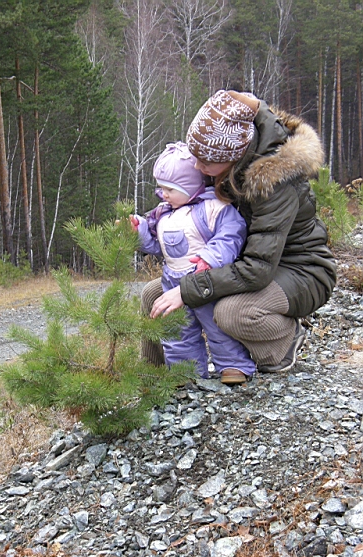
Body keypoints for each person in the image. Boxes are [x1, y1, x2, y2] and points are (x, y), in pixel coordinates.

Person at [143, 90, 336, 373]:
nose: (197, 167)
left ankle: (283, 343)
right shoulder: (224, 168)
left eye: (205, 161)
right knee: (154, 294)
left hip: (300, 270)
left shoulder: (275, 185)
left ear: (232, 156)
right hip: (246, 263)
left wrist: (188, 290)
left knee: (231, 313)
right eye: (196, 157)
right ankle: (154, 373)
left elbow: (257, 269)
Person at [134, 141, 256, 384]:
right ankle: (185, 373)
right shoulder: (163, 214)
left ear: (190, 185)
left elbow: (231, 235)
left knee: (217, 326)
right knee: (177, 331)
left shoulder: (213, 208)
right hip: (172, 282)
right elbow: (158, 247)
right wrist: (140, 233)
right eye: (161, 188)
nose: (164, 194)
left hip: (206, 280)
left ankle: (233, 366)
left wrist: (210, 257)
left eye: (170, 189)